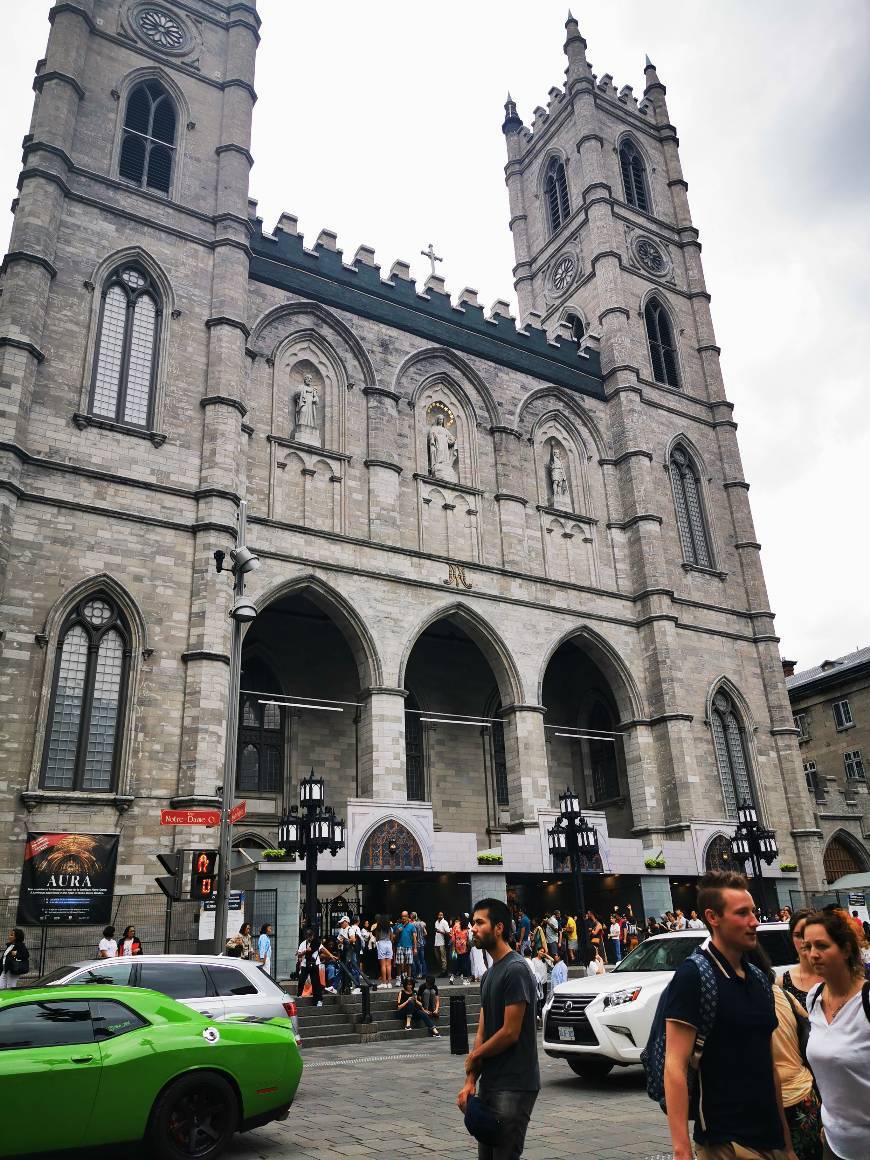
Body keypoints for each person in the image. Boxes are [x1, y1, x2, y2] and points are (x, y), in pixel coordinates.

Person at [663, 870, 795, 1160]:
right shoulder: (694, 975)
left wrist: (786, 1143)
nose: (754, 922)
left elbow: (768, 1064)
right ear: (713, 917)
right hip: (725, 1142)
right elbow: (674, 1066)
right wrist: (682, 1150)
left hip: (771, 1140)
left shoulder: (759, 979)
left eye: (754, 912)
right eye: (743, 913)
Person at [457, 898, 540, 1159]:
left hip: (515, 1082)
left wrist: (475, 1056)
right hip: (491, 1083)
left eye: (480, 922)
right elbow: (482, 1032)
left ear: (499, 928)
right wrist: (471, 1081)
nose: (473, 928)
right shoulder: (490, 974)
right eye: (472, 923)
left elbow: (509, 1032)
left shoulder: (515, 969)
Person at [804, 909, 870, 1160]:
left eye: (822, 945)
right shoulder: (814, 998)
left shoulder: (866, 1000)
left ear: (845, 949)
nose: (813, 954)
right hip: (834, 1144)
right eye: (808, 946)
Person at [746, 942, 822, 1160]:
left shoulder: (739, 1003)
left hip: (768, 1103)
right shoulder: (784, 995)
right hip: (804, 1097)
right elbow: (811, 1032)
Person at [778, 910, 823, 1008]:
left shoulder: (835, 975)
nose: (804, 940)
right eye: (798, 935)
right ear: (791, 938)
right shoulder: (782, 982)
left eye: (808, 934)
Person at [296, 928, 325, 1006]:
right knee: (301, 980)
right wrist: (305, 951)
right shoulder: (303, 943)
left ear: (313, 936)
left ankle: (318, 1000)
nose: (309, 938)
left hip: (315, 964)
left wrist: (331, 955)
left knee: (316, 983)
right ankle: (299, 995)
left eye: (311, 937)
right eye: (308, 937)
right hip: (305, 965)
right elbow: (298, 954)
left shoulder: (316, 943)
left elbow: (323, 950)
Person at [393, 910, 417, 984]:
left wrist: (415, 948)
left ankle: (408, 979)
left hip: (409, 946)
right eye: (402, 916)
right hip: (400, 946)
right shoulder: (398, 926)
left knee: (409, 964)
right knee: (399, 964)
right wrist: (397, 932)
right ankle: (399, 979)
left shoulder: (411, 925)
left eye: (405, 916)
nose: (403, 918)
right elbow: (393, 937)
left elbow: (415, 937)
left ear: (407, 917)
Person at [372, 913, 394, 987]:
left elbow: (377, 938)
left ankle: (384, 983)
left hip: (381, 943)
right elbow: (391, 938)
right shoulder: (389, 928)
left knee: (383, 965)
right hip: (389, 944)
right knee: (389, 964)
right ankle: (389, 983)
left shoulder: (379, 928)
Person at [450, 915, 471, 985]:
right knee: (464, 963)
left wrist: (453, 947)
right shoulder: (466, 926)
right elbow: (468, 938)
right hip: (464, 947)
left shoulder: (455, 925)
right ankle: (465, 980)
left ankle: (452, 978)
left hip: (457, 947)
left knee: (457, 963)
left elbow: (453, 938)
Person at [434, 910, 452, 975]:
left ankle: (444, 971)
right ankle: (443, 969)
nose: (440, 916)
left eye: (441, 915)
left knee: (443, 957)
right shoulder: (436, 922)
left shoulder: (444, 922)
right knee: (437, 957)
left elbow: (448, 932)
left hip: (442, 942)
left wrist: (440, 931)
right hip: (436, 942)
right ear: (437, 915)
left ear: (443, 916)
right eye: (439, 915)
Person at [412, 911, 428, 979]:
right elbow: (426, 933)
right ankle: (424, 973)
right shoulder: (422, 923)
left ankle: (417, 973)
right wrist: (421, 936)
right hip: (422, 944)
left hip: (415, 944)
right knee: (422, 960)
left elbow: (413, 935)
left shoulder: (412, 924)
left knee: (416, 960)